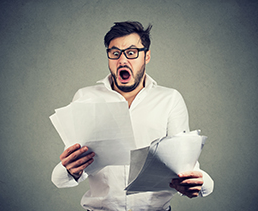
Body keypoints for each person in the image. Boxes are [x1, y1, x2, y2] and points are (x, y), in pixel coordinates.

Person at [51, 21, 214, 211]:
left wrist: (200, 184)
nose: (122, 60)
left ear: (147, 56)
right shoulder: (85, 97)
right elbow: (64, 177)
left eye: (131, 52)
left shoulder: (170, 99)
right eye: (115, 53)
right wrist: (70, 170)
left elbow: (186, 167)